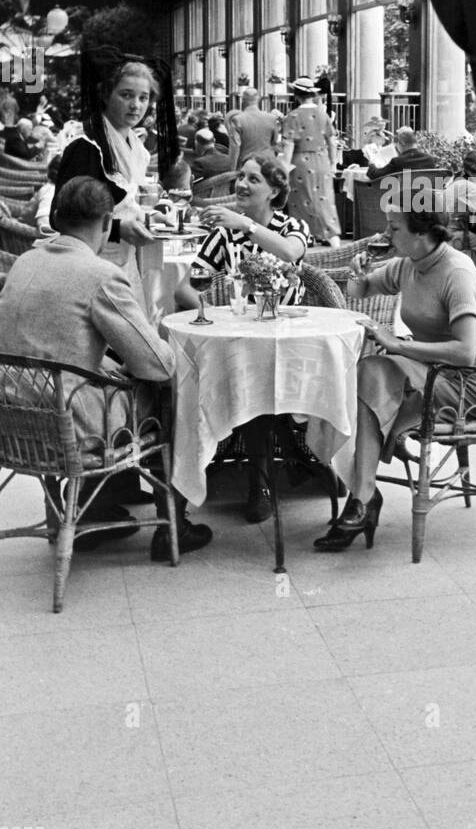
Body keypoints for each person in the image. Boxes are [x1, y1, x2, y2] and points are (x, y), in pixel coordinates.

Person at [0, 177, 211, 558]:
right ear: (104, 222)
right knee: (170, 391)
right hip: (70, 421)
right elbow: (157, 365)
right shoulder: (99, 275)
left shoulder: (25, 261)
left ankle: (92, 509)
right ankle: (172, 526)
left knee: (118, 375)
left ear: (60, 217)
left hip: (13, 417)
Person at [313, 203, 476, 551]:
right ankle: (363, 495)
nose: (385, 235)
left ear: (421, 233)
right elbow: (361, 291)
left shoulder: (457, 271)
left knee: (373, 376)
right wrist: (358, 273)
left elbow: (465, 352)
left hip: (466, 382)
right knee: (368, 373)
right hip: (428, 370)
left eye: (394, 228)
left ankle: (362, 499)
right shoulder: (409, 265)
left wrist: (396, 344)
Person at [174, 154, 313, 523]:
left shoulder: (291, 226)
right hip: (243, 338)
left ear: (275, 191)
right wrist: (218, 314)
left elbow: (290, 252)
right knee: (251, 373)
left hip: (289, 339)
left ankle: (268, 476)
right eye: (240, 177)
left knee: (258, 375)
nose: (241, 184)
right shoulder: (224, 235)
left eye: (253, 179)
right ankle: (267, 477)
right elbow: (185, 289)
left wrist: (246, 225)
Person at [50, 56, 171, 308]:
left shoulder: (136, 148)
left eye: (143, 97)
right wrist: (118, 228)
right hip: (88, 270)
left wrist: (148, 219)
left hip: (123, 264)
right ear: (106, 95)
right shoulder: (87, 146)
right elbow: (59, 217)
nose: (135, 105)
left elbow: (125, 207)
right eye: (126, 95)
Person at [281, 76, 342, 246]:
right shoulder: (323, 115)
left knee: (301, 200)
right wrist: (333, 163)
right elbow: (332, 141)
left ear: (296, 95)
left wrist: (285, 168)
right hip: (322, 161)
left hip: (300, 162)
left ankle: (303, 236)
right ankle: (332, 236)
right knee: (325, 199)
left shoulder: (293, 116)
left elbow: (289, 144)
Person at [227, 87, 279, 170]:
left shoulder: (237, 119)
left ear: (242, 101)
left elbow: (235, 148)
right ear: (258, 100)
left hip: (247, 164)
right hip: (268, 164)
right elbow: (274, 144)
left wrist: (232, 170)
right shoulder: (272, 118)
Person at [365, 126, 437, 180]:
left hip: (401, 198)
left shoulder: (398, 161)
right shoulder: (430, 160)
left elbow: (374, 175)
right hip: (426, 198)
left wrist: (372, 164)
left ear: (402, 143)